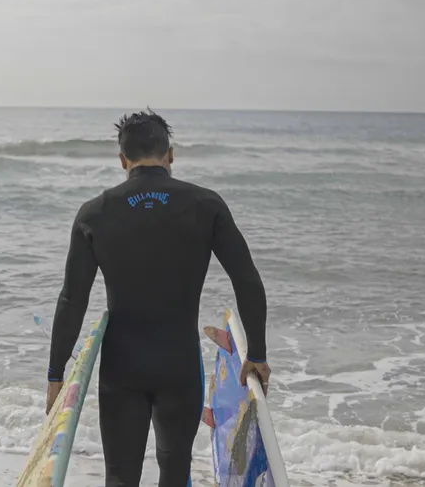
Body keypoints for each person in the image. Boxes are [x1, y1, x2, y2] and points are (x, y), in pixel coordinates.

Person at [46, 109, 270, 487]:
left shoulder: (95, 214)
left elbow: (72, 300)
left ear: (122, 161)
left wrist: (55, 374)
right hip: (179, 366)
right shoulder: (206, 205)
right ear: (171, 155)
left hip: (121, 369)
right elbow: (246, 281)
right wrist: (258, 355)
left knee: (120, 476)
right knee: (174, 470)